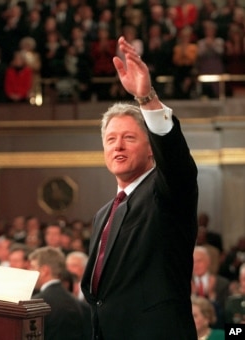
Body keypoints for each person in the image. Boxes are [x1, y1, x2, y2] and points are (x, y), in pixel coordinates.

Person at [81, 36, 199, 339]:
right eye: (110, 139)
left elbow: (175, 160)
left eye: (129, 138)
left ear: (151, 149)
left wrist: (146, 99)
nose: (117, 146)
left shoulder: (167, 190)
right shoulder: (103, 214)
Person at [29, 246, 90, 340]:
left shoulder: (37, 303)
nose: (30, 272)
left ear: (44, 271)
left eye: (33, 267)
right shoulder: (79, 304)